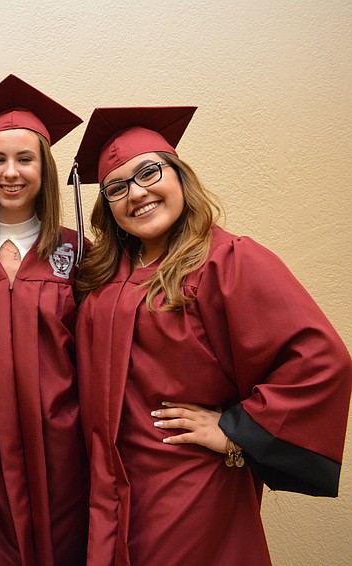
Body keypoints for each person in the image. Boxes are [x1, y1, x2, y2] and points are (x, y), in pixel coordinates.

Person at [72, 105, 352, 565]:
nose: (136, 194)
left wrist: (233, 433)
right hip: (110, 488)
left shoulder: (228, 261)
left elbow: (321, 361)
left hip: (190, 486)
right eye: (116, 188)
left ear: (179, 175)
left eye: (149, 173)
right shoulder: (106, 272)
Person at [0, 75, 89, 566]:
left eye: (25, 159)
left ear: (44, 169)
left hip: (63, 447)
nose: (11, 172)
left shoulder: (80, 252)